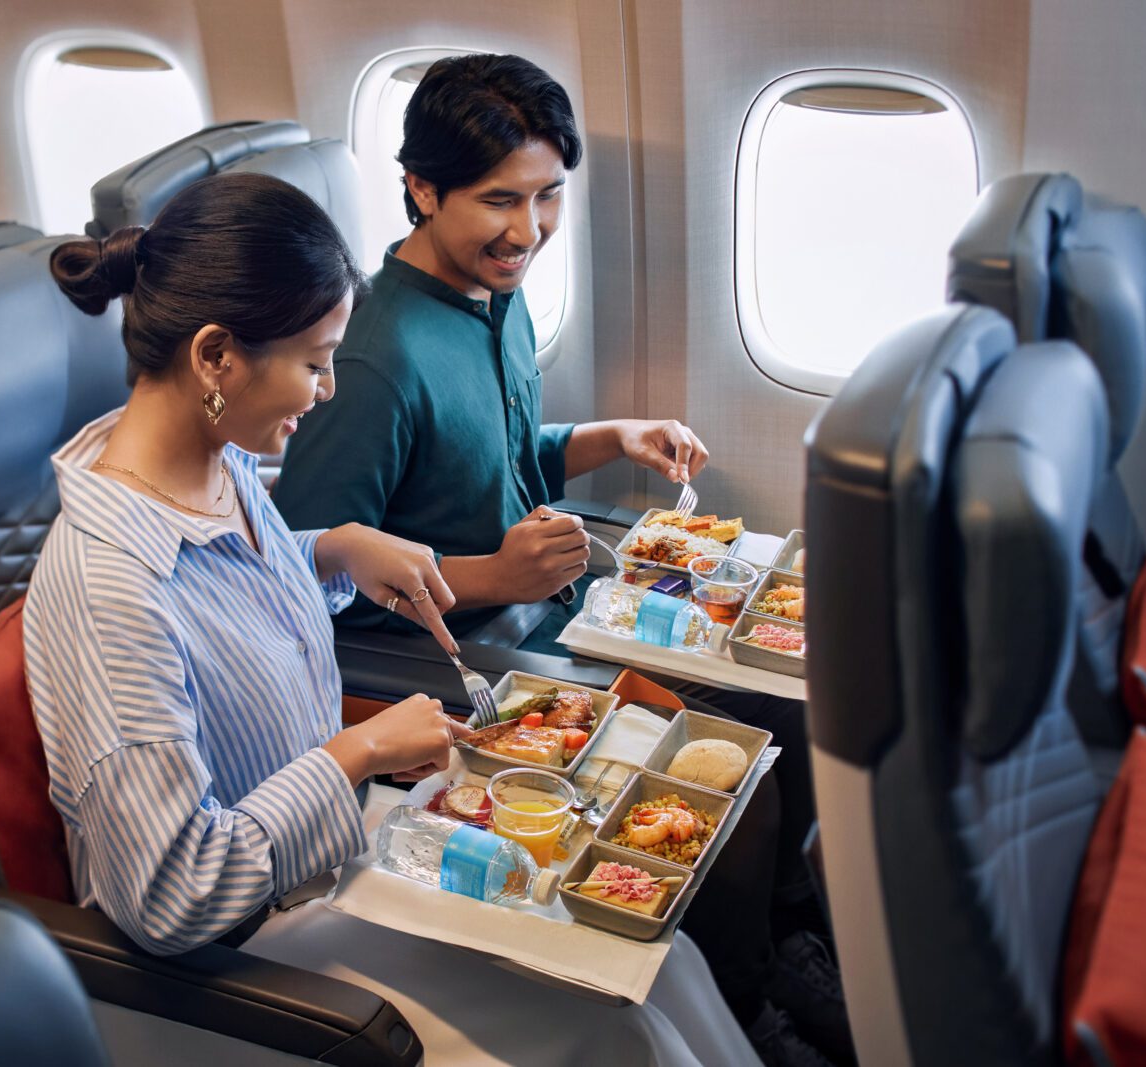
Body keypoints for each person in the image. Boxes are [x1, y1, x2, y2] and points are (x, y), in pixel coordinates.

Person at [25, 172, 761, 1065]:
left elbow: (228, 602)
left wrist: (330, 550)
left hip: (332, 871)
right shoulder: (109, 584)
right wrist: (359, 752)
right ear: (216, 356)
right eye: (313, 360)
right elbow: (171, 894)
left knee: (651, 957)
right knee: (616, 1035)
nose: (331, 388)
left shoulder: (208, 465)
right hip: (238, 969)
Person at [272, 54, 846, 1065]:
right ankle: (748, 1010)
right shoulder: (372, 358)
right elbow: (298, 576)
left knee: (788, 683)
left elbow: (495, 454)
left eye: (547, 198)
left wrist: (610, 435)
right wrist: (494, 575)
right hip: (450, 653)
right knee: (733, 763)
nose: (526, 230)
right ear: (421, 187)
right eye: (499, 199)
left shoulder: (494, 296)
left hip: (547, 604)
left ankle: (789, 936)